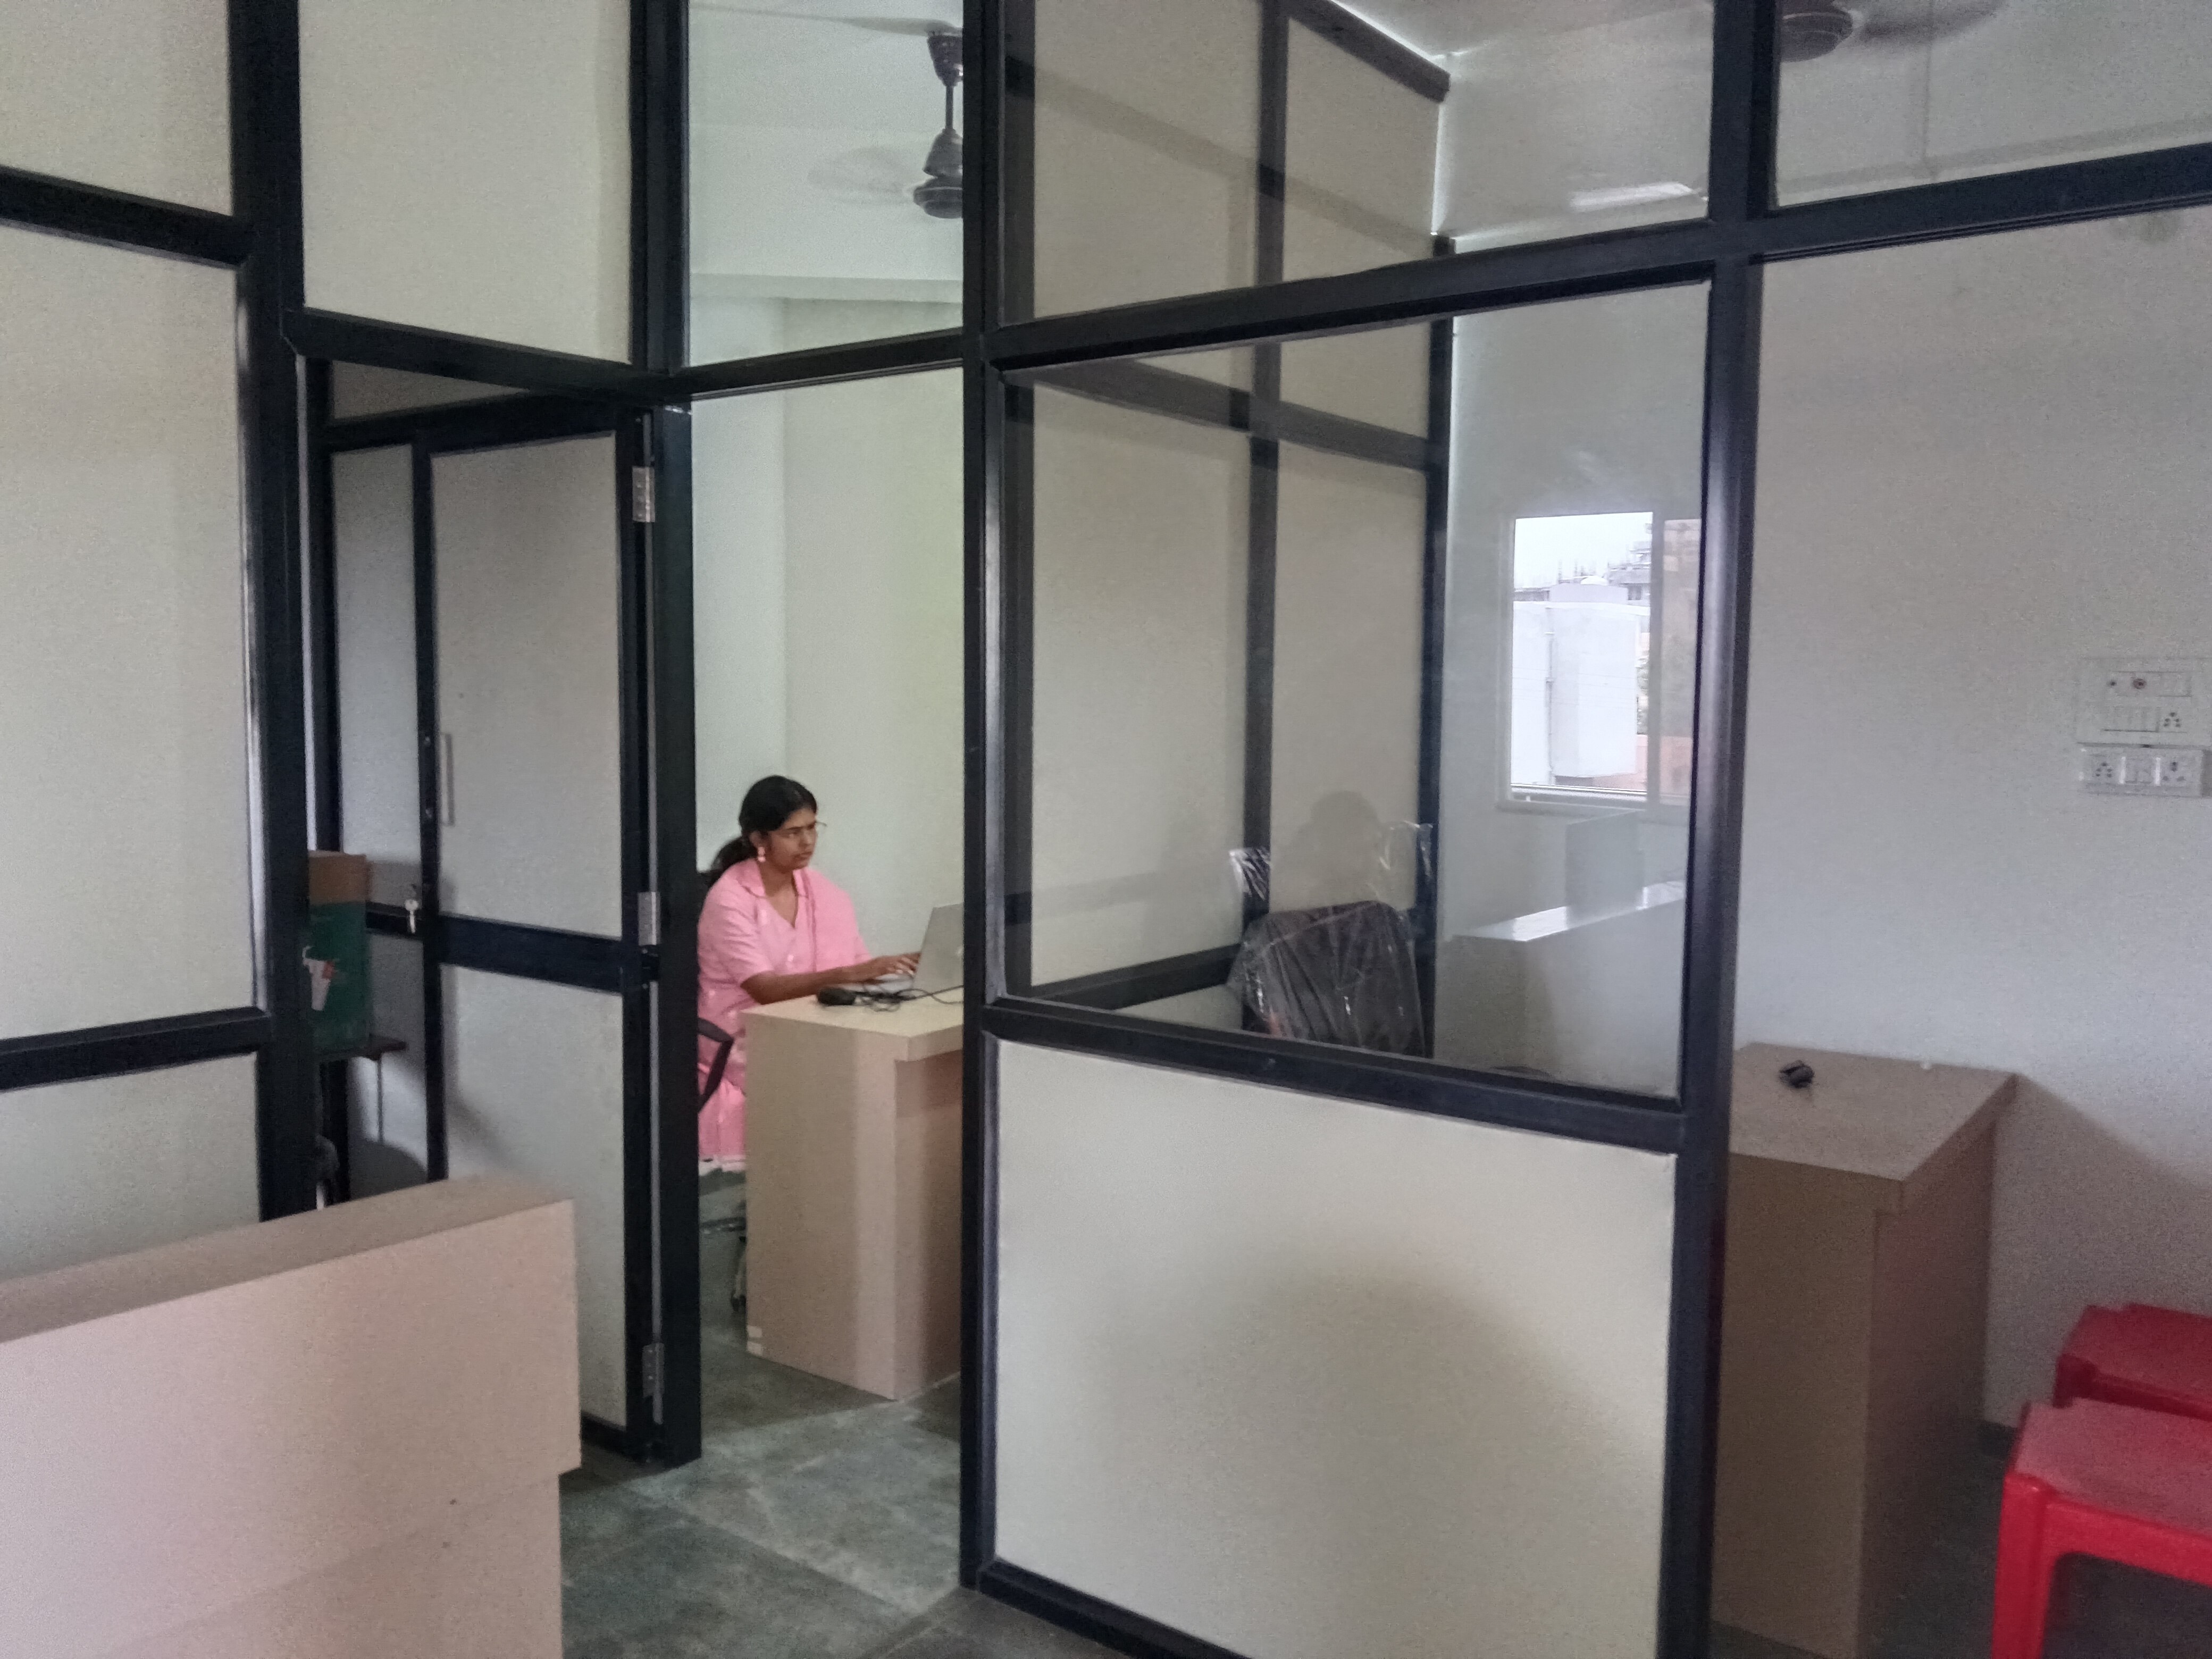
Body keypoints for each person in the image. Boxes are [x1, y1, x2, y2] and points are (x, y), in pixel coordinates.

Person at [697, 776, 917, 1171]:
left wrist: (897, 968)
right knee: (845, 1077)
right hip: (744, 1035)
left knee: (874, 1066)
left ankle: (845, 1185)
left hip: (809, 1023)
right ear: (759, 839)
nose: (808, 842)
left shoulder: (821, 890)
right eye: (793, 833)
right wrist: (855, 972)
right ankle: (813, 1186)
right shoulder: (729, 899)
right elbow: (765, 990)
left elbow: (855, 969)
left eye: (813, 828)